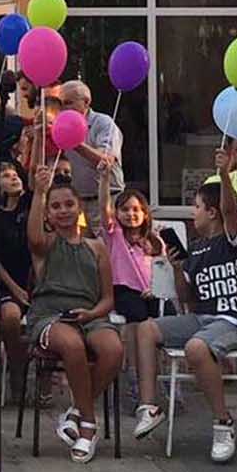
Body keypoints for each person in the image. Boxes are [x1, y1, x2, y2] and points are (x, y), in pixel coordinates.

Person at [137, 147, 237, 464]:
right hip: (201, 317)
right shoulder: (196, 248)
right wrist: (177, 268)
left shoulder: (232, 239)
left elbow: (231, 210)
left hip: (232, 321)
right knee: (146, 330)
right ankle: (149, 406)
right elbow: (187, 298)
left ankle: (223, 422)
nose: (194, 213)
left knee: (195, 348)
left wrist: (225, 174)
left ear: (213, 212)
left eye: (198, 207)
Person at [23, 157, 122, 463]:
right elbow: (33, 237)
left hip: (91, 316)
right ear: (48, 214)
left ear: (79, 207)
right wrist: (39, 193)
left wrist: (92, 315)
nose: (63, 210)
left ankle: (77, 410)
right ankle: (88, 425)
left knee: (114, 349)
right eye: (56, 206)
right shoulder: (46, 245)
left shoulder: (97, 247)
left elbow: (108, 299)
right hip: (51, 315)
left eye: (68, 204)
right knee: (72, 344)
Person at [101, 176, 171, 416]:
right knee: (137, 318)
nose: (131, 214)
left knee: (167, 315)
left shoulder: (155, 241)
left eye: (136, 209)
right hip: (124, 289)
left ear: (145, 214)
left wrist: (156, 289)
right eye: (125, 209)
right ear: (117, 213)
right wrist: (104, 180)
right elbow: (103, 208)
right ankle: (134, 377)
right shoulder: (115, 235)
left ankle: (161, 376)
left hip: (153, 291)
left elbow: (164, 270)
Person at [0, 159, 34, 382]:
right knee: (11, 318)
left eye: (15, 175)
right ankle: (16, 369)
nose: (14, 177)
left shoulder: (31, 209)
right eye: (6, 176)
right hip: (6, 285)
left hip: (34, 282)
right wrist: (16, 290)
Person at [57, 80, 123, 212]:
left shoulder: (103, 123)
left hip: (107, 199)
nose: (63, 108)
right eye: (61, 104)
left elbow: (106, 160)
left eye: (68, 103)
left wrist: (75, 143)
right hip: (77, 201)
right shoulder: (61, 125)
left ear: (86, 102)